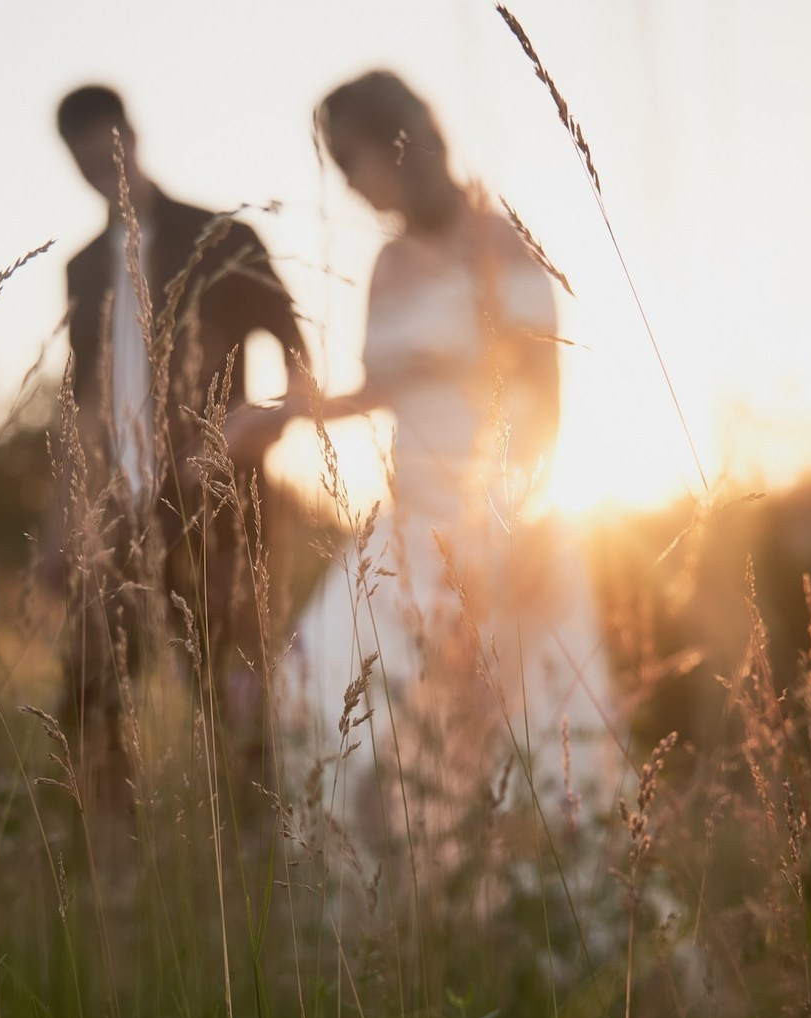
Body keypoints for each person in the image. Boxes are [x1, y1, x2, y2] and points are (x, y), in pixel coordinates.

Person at [226, 71, 620, 881]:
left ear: (400, 142)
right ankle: (391, 931)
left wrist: (507, 533)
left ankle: (522, 943)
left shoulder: (501, 245)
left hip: (500, 532)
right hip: (400, 536)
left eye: (350, 159)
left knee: (512, 748)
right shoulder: (389, 262)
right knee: (316, 702)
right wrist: (286, 414)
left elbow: (542, 406)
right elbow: (384, 387)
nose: (349, 185)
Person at [53, 84, 312, 781]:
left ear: (131, 136)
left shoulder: (221, 234)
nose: (96, 168)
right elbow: (79, 402)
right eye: (80, 159)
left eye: (103, 149)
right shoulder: (79, 270)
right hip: (116, 508)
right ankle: (107, 857)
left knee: (228, 690)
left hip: (217, 505)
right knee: (89, 688)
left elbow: (298, 360)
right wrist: (67, 517)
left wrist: (251, 433)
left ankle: (257, 848)